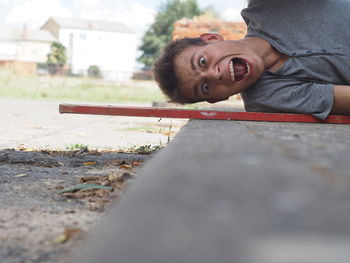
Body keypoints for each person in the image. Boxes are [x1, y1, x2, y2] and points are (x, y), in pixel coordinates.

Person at [153, 0, 350, 120]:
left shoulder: (265, 7)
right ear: (218, 98)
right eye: (204, 87)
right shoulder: (268, 98)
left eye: (202, 62)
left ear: (211, 38)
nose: (214, 74)